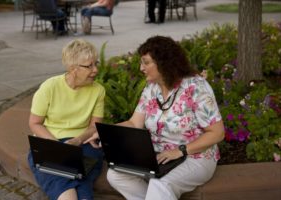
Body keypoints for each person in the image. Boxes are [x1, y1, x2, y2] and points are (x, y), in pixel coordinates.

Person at [89, 36, 225, 199]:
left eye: (146, 62)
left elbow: (217, 133)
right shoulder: (151, 88)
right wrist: (105, 134)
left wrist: (180, 151)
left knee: (160, 185)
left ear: (163, 62)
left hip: (195, 156)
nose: (141, 68)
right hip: (158, 156)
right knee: (116, 175)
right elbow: (134, 122)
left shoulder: (196, 87)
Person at [27, 39, 105, 200]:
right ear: (72, 68)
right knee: (70, 194)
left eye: (95, 63)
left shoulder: (98, 91)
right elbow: (34, 123)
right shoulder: (50, 87)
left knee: (77, 183)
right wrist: (57, 147)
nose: (95, 70)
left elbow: (95, 126)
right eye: (89, 66)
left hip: (83, 144)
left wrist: (77, 140)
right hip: (49, 142)